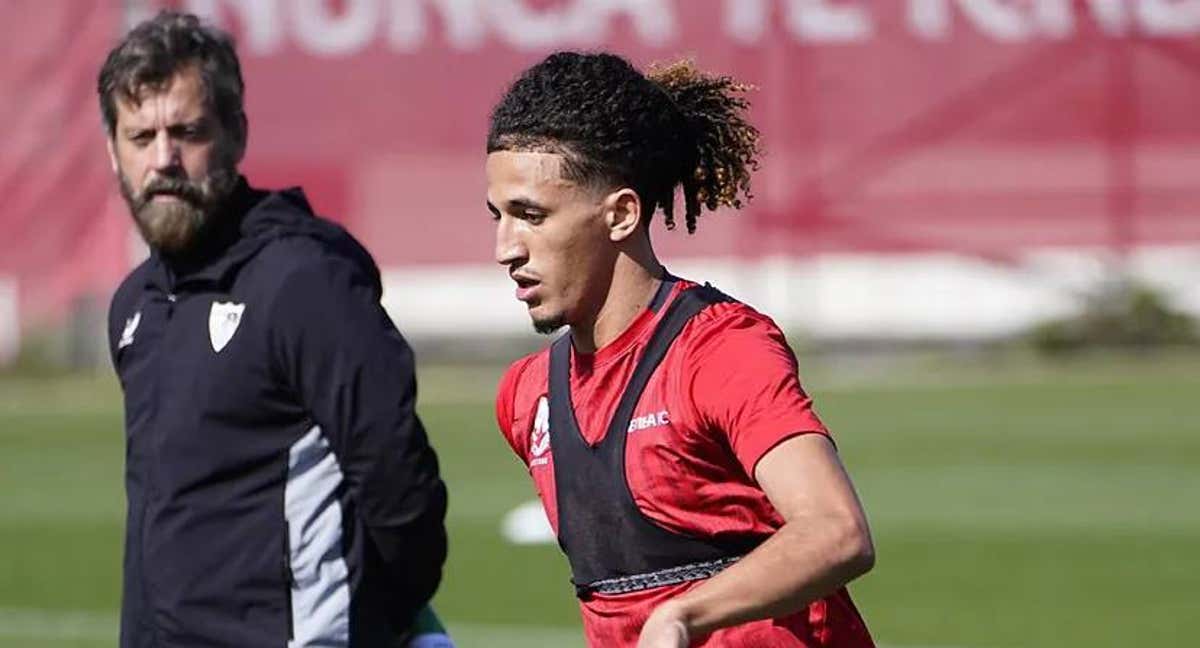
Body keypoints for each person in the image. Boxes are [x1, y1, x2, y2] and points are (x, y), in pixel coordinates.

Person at [488, 52, 876, 647]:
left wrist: (682, 615)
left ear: (620, 215)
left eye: (530, 216)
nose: (505, 248)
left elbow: (836, 531)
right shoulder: (526, 396)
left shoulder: (719, 350)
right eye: (497, 216)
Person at [100, 11, 450, 647]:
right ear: (112, 150)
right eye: (140, 136)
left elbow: (402, 488)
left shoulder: (304, 281)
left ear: (235, 134)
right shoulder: (134, 307)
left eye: (187, 131)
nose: (164, 160)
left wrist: (371, 621)